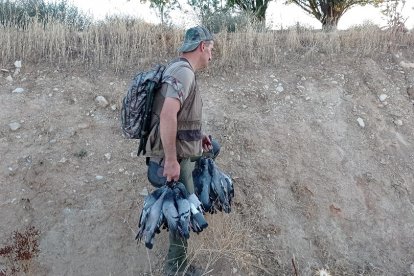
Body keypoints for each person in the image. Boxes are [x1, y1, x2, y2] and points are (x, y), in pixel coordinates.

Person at [143, 26, 217, 276]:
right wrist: (172, 161)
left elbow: (181, 117)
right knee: (181, 210)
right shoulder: (184, 73)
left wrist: (200, 136)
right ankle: (176, 269)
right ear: (202, 46)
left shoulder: (181, 70)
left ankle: (178, 263)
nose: (212, 55)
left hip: (180, 152)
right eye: (211, 49)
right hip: (172, 158)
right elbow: (167, 115)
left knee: (213, 150)